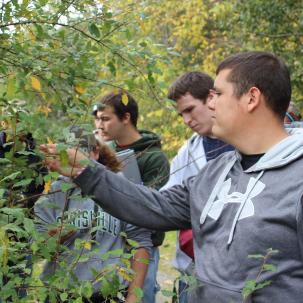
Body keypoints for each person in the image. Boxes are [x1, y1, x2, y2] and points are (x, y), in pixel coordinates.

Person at [42, 51, 303, 303]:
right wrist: (86, 172)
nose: (211, 103)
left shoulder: (297, 178)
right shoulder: (217, 171)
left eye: (218, 94)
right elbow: (155, 206)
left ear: (251, 98)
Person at [34, 131, 152, 303]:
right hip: (60, 293)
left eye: (79, 154)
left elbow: (141, 242)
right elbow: (35, 246)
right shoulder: (53, 191)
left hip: (106, 294)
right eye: (67, 155)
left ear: (95, 152)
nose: (72, 161)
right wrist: (53, 236)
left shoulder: (120, 188)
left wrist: (133, 297)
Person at [161, 72, 234, 303]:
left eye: (190, 110)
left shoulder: (242, 141)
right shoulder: (187, 152)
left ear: (211, 98)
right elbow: (168, 201)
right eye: (181, 114)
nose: (186, 120)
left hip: (238, 270)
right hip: (194, 269)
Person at [92, 91, 170, 303]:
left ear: (126, 118)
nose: (100, 125)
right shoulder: (103, 151)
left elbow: (155, 208)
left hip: (141, 247)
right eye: (97, 119)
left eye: (106, 119)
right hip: (109, 245)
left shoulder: (154, 158)